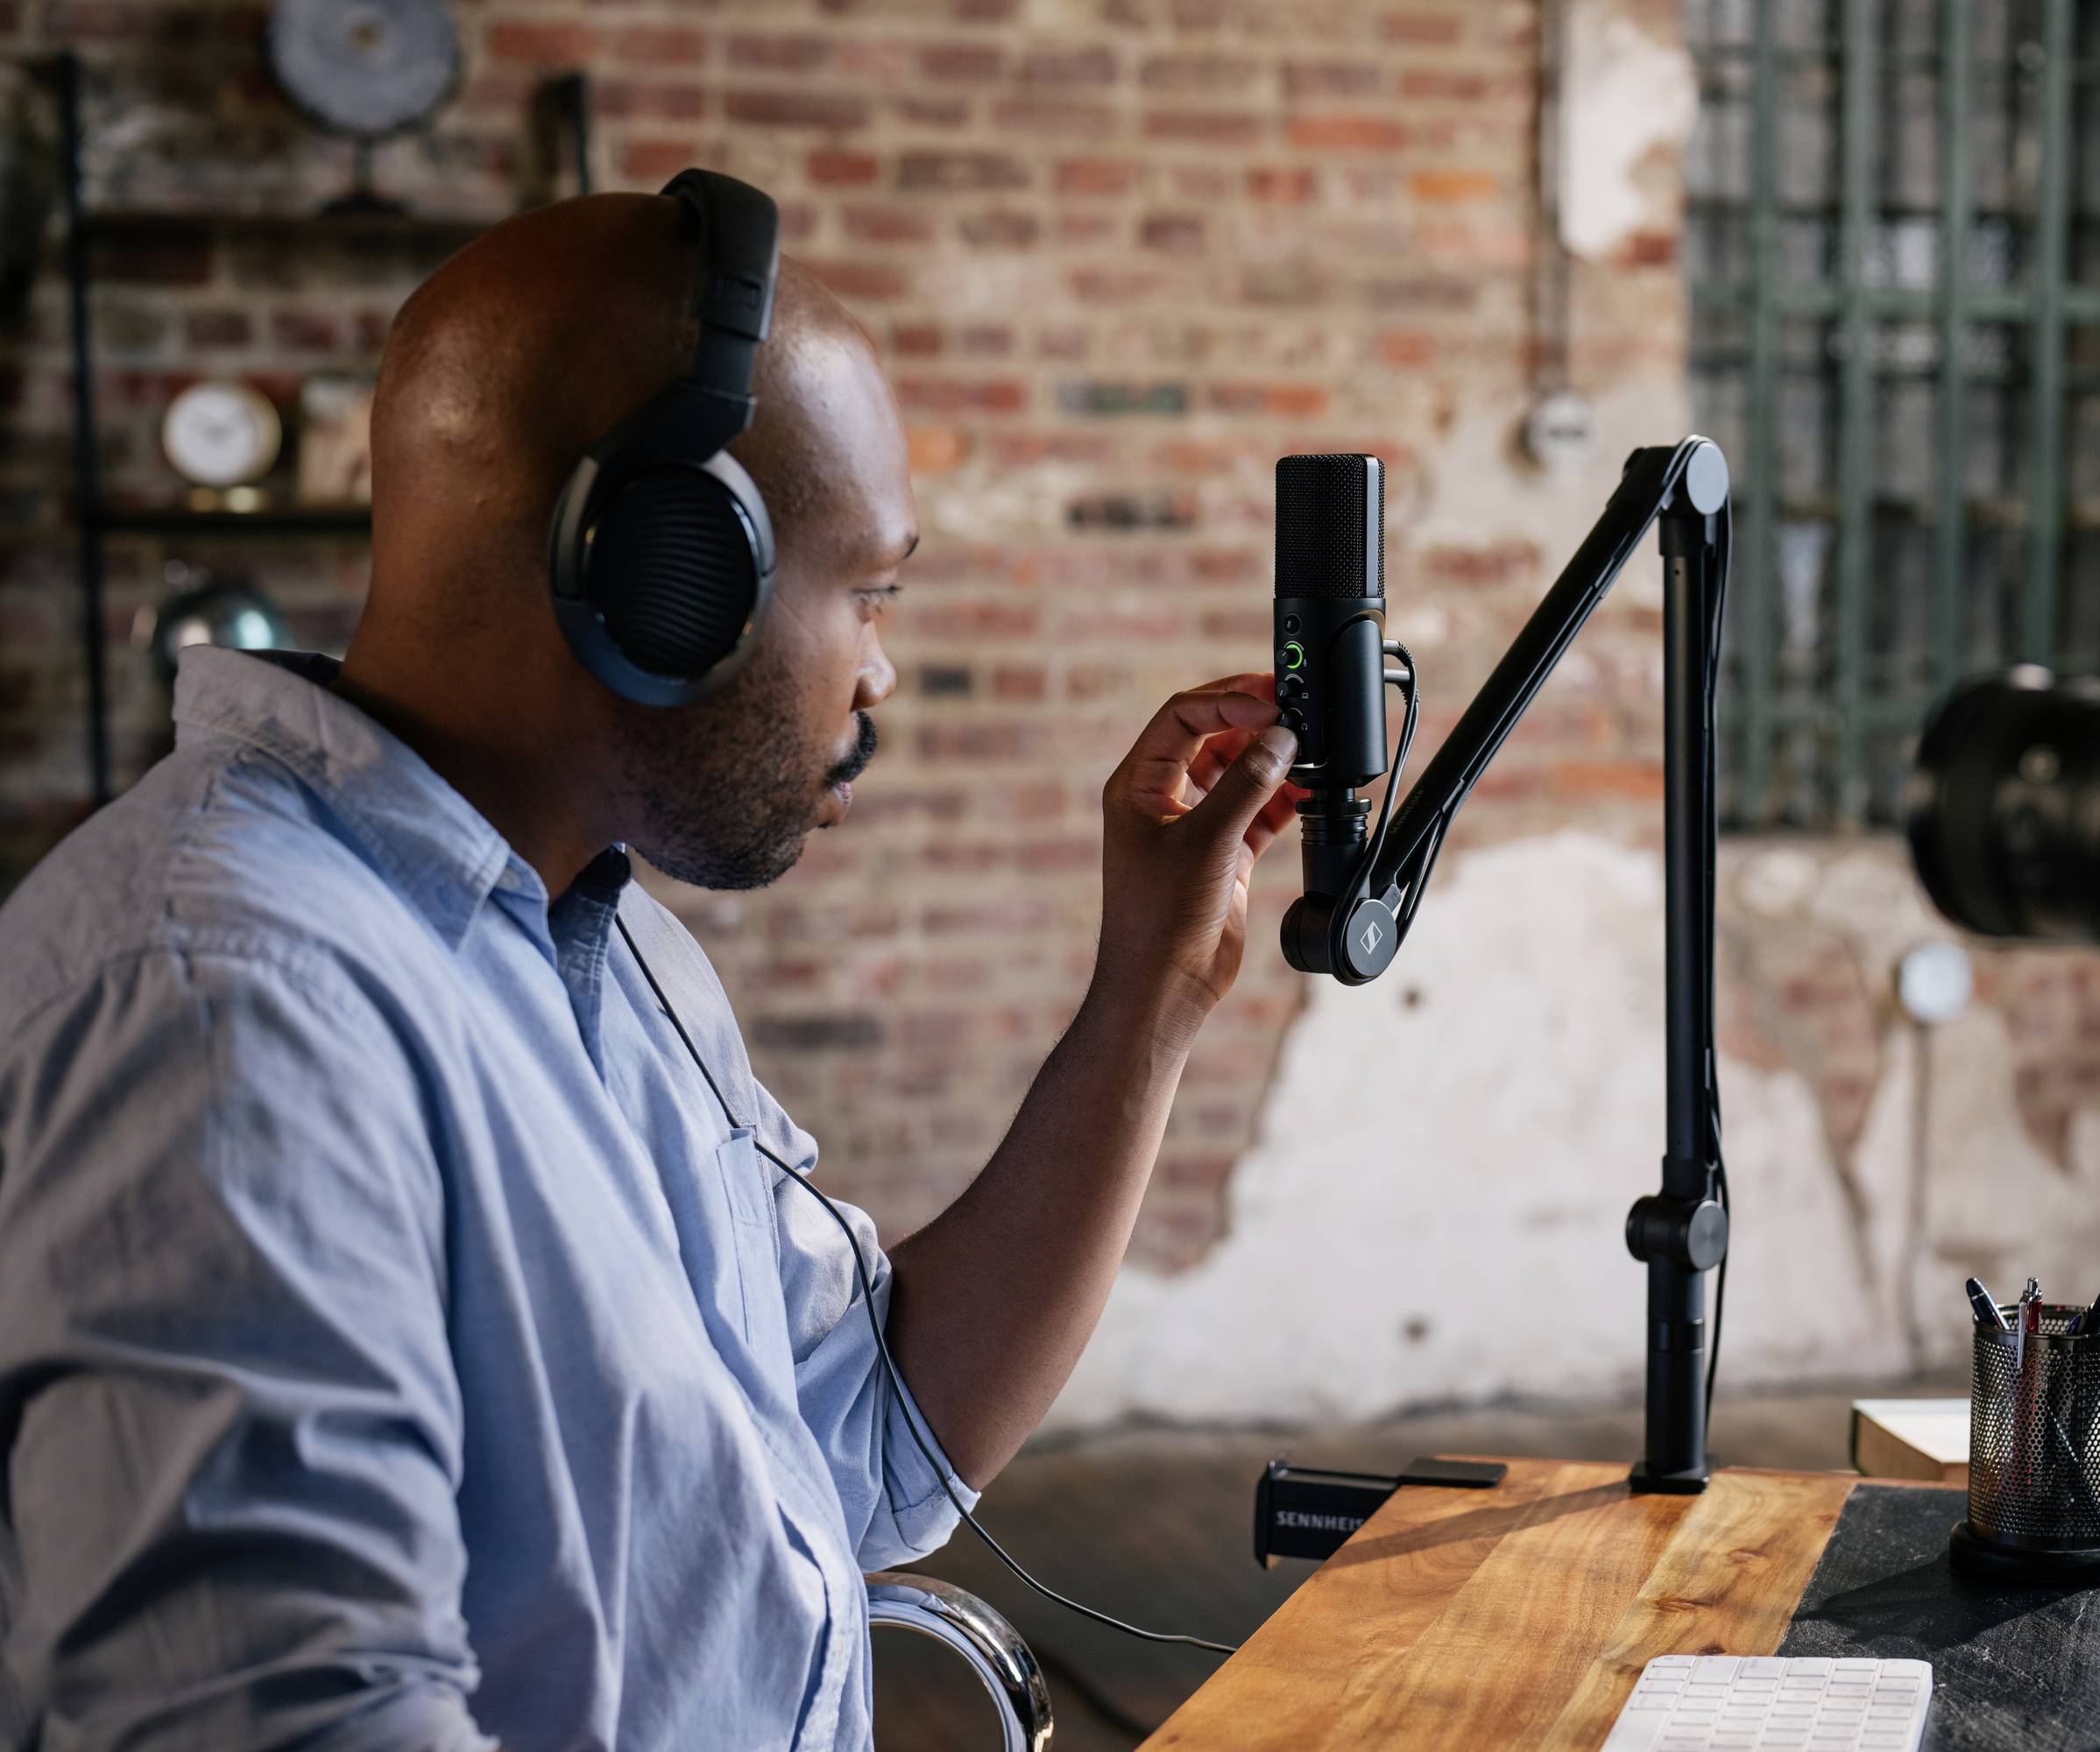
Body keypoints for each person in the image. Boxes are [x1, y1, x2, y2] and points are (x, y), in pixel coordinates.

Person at [0, 186, 1304, 1748]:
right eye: (871, 590)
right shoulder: (228, 1006)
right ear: (664, 581)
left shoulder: (611, 951)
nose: (882, 667)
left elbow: (869, 1435)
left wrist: (1147, 998)